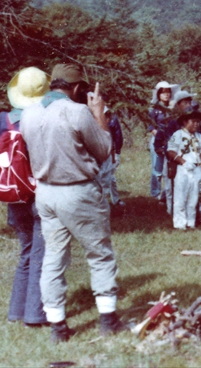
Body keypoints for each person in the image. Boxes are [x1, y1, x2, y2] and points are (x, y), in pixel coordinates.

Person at [20, 63, 127, 343]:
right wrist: (98, 112)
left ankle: (58, 327)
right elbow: (104, 150)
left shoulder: (29, 113)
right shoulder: (77, 110)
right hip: (78, 191)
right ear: (77, 88)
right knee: (99, 253)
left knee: (54, 258)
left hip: (45, 192)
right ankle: (108, 320)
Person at [0, 67, 50, 328]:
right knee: (41, 253)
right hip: (39, 193)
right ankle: (34, 313)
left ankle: (16, 311)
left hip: (15, 193)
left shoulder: (4, 119)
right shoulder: (44, 118)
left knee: (26, 251)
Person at [167, 108, 201, 230]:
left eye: (198, 122)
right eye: (193, 121)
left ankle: (191, 222)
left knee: (193, 198)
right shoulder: (178, 134)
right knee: (180, 197)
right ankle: (180, 223)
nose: (196, 124)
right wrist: (183, 161)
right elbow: (171, 151)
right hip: (183, 169)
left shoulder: (199, 137)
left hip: (196, 169)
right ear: (185, 122)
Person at [156, 90, 196, 214]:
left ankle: (193, 210)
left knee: (192, 185)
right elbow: (163, 139)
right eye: (185, 102)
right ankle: (172, 210)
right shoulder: (171, 122)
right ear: (178, 105)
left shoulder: (193, 121)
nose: (188, 104)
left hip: (189, 159)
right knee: (170, 186)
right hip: (172, 160)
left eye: (189, 101)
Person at [148, 81, 178, 199]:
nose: (166, 94)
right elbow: (151, 126)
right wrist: (160, 138)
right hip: (158, 141)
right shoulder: (154, 109)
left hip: (171, 141)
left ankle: (166, 193)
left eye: (168, 92)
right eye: (163, 92)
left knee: (169, 167)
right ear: (158, 94)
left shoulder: (172, 108)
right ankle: (155, 192)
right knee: (157, 168)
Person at [96, 104, 124, 210]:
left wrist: (115, 154)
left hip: (109, 157)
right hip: (99, 160)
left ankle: (114, 200)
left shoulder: (111, 124)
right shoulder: (93, 128)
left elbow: (116, 140)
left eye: (108, 117)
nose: (107, 120)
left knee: (110, 179)